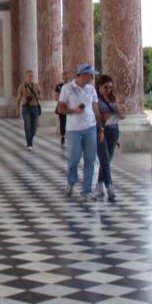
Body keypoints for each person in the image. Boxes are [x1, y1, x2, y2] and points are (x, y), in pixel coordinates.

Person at [57, 63, 103, 201]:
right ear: (82, 75)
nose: (92, 77)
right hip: (74, 129)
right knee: (74, 159)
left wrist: (100, 128)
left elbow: (95, 108)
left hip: (90, 127)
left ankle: (86, 191)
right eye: (90, 75)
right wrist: (73, 111)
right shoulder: (67, 88)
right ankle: (71, 182)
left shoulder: (91, 89)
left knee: (90, 159)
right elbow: (60, 109)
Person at [95, 74, 121, 202]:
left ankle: (99, 184)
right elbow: (95, 115)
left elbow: (118, 111)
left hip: (113, 130)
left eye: (111, 87)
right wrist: (102, 118)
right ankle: (110, 187)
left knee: (107, 160)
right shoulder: (95, 99)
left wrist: (118, 116)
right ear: (99, 86)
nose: (108, 90)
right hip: (100, 131)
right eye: (106, 87)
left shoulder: (113, 98)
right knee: (104, 159)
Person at [15, 69, 42, 150]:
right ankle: (29, 144)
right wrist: (17, 110)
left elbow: (41, 96)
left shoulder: (37, 85)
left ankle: (30, 137)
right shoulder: (21, 86)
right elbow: (18, 99)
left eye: (32, 76)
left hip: (35, 107)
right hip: (26, 108)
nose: (31, 77)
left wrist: (38, 96)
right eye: (29, 75)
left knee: (35, 126)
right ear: (26, 76)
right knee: (27, 125)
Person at [54, 71, 69, 146]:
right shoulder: (59, 86)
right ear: (62, 77)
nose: (66, 78)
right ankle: (62, 136)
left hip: (70, 107)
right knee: (62, 122)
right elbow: (56, 97)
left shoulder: (72, 86)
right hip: (62, 106)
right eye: (64, 76)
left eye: (67, 76)